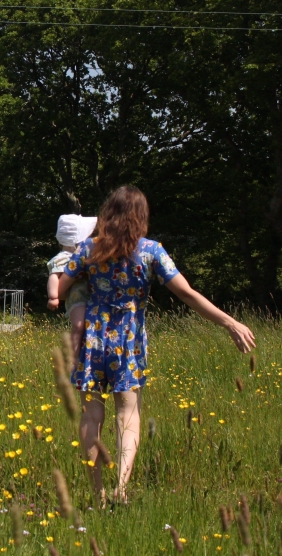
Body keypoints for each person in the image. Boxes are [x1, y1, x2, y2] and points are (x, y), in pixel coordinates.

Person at [58, 186, 255, 505]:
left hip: (92, 337)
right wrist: (230, 322)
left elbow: (63, 289)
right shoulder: (151, 251)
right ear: (140, 218)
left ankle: (98, 494)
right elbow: (187, 294)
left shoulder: (88, 249)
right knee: (128, 413)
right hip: (129, 338)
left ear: (107, 215)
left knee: (91, 415)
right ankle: (121, 487)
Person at [47, 214, 97, 367]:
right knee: (79, 325)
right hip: (77, 299)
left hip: (90, 297)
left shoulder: (85, 254)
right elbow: (54, 276)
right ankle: (72, 358)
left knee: (88, 327)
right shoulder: (63, 257)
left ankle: (84, 355)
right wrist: (53, 296)